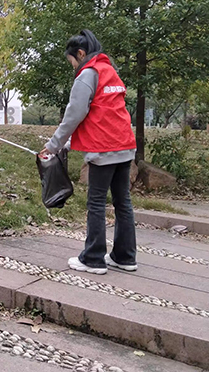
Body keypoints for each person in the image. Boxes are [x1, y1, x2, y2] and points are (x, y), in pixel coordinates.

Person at [38, 30, 138, 274]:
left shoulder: (87, 74)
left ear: (80, 54)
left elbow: (74, 114)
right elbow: (101, 115)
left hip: (104, 150)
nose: (72, 65)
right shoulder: (109, 71)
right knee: (123, 202)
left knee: (95, 202)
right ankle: (125, 257)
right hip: (124, 145)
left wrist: (53, 144)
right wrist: (68, 144)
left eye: (71, 60)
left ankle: (93, 258)